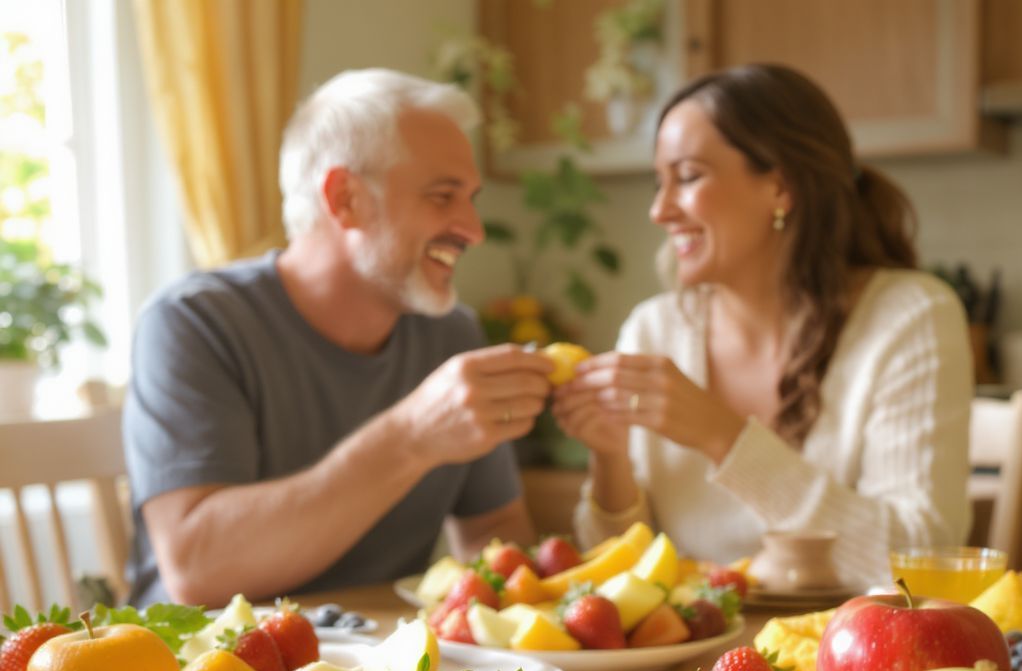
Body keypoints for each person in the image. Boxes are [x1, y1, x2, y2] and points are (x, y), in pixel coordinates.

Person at [123, 69, 554, 608]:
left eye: (471, 198)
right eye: (443, 196)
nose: (472, 228)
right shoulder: (194, 323)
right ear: (345, 198)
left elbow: (498, 547)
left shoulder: (452, 335)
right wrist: (412, 435)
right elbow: (196, 568)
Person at [551, 63, 972, 590]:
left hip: (855, 664)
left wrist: (724, 436)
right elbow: (619, 584)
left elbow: (922, 562)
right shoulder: (653, 329)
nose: (659, 210)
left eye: (687, 177)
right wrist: (609, 455)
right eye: (659, 183)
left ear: (780, 186)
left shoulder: (910, 317)